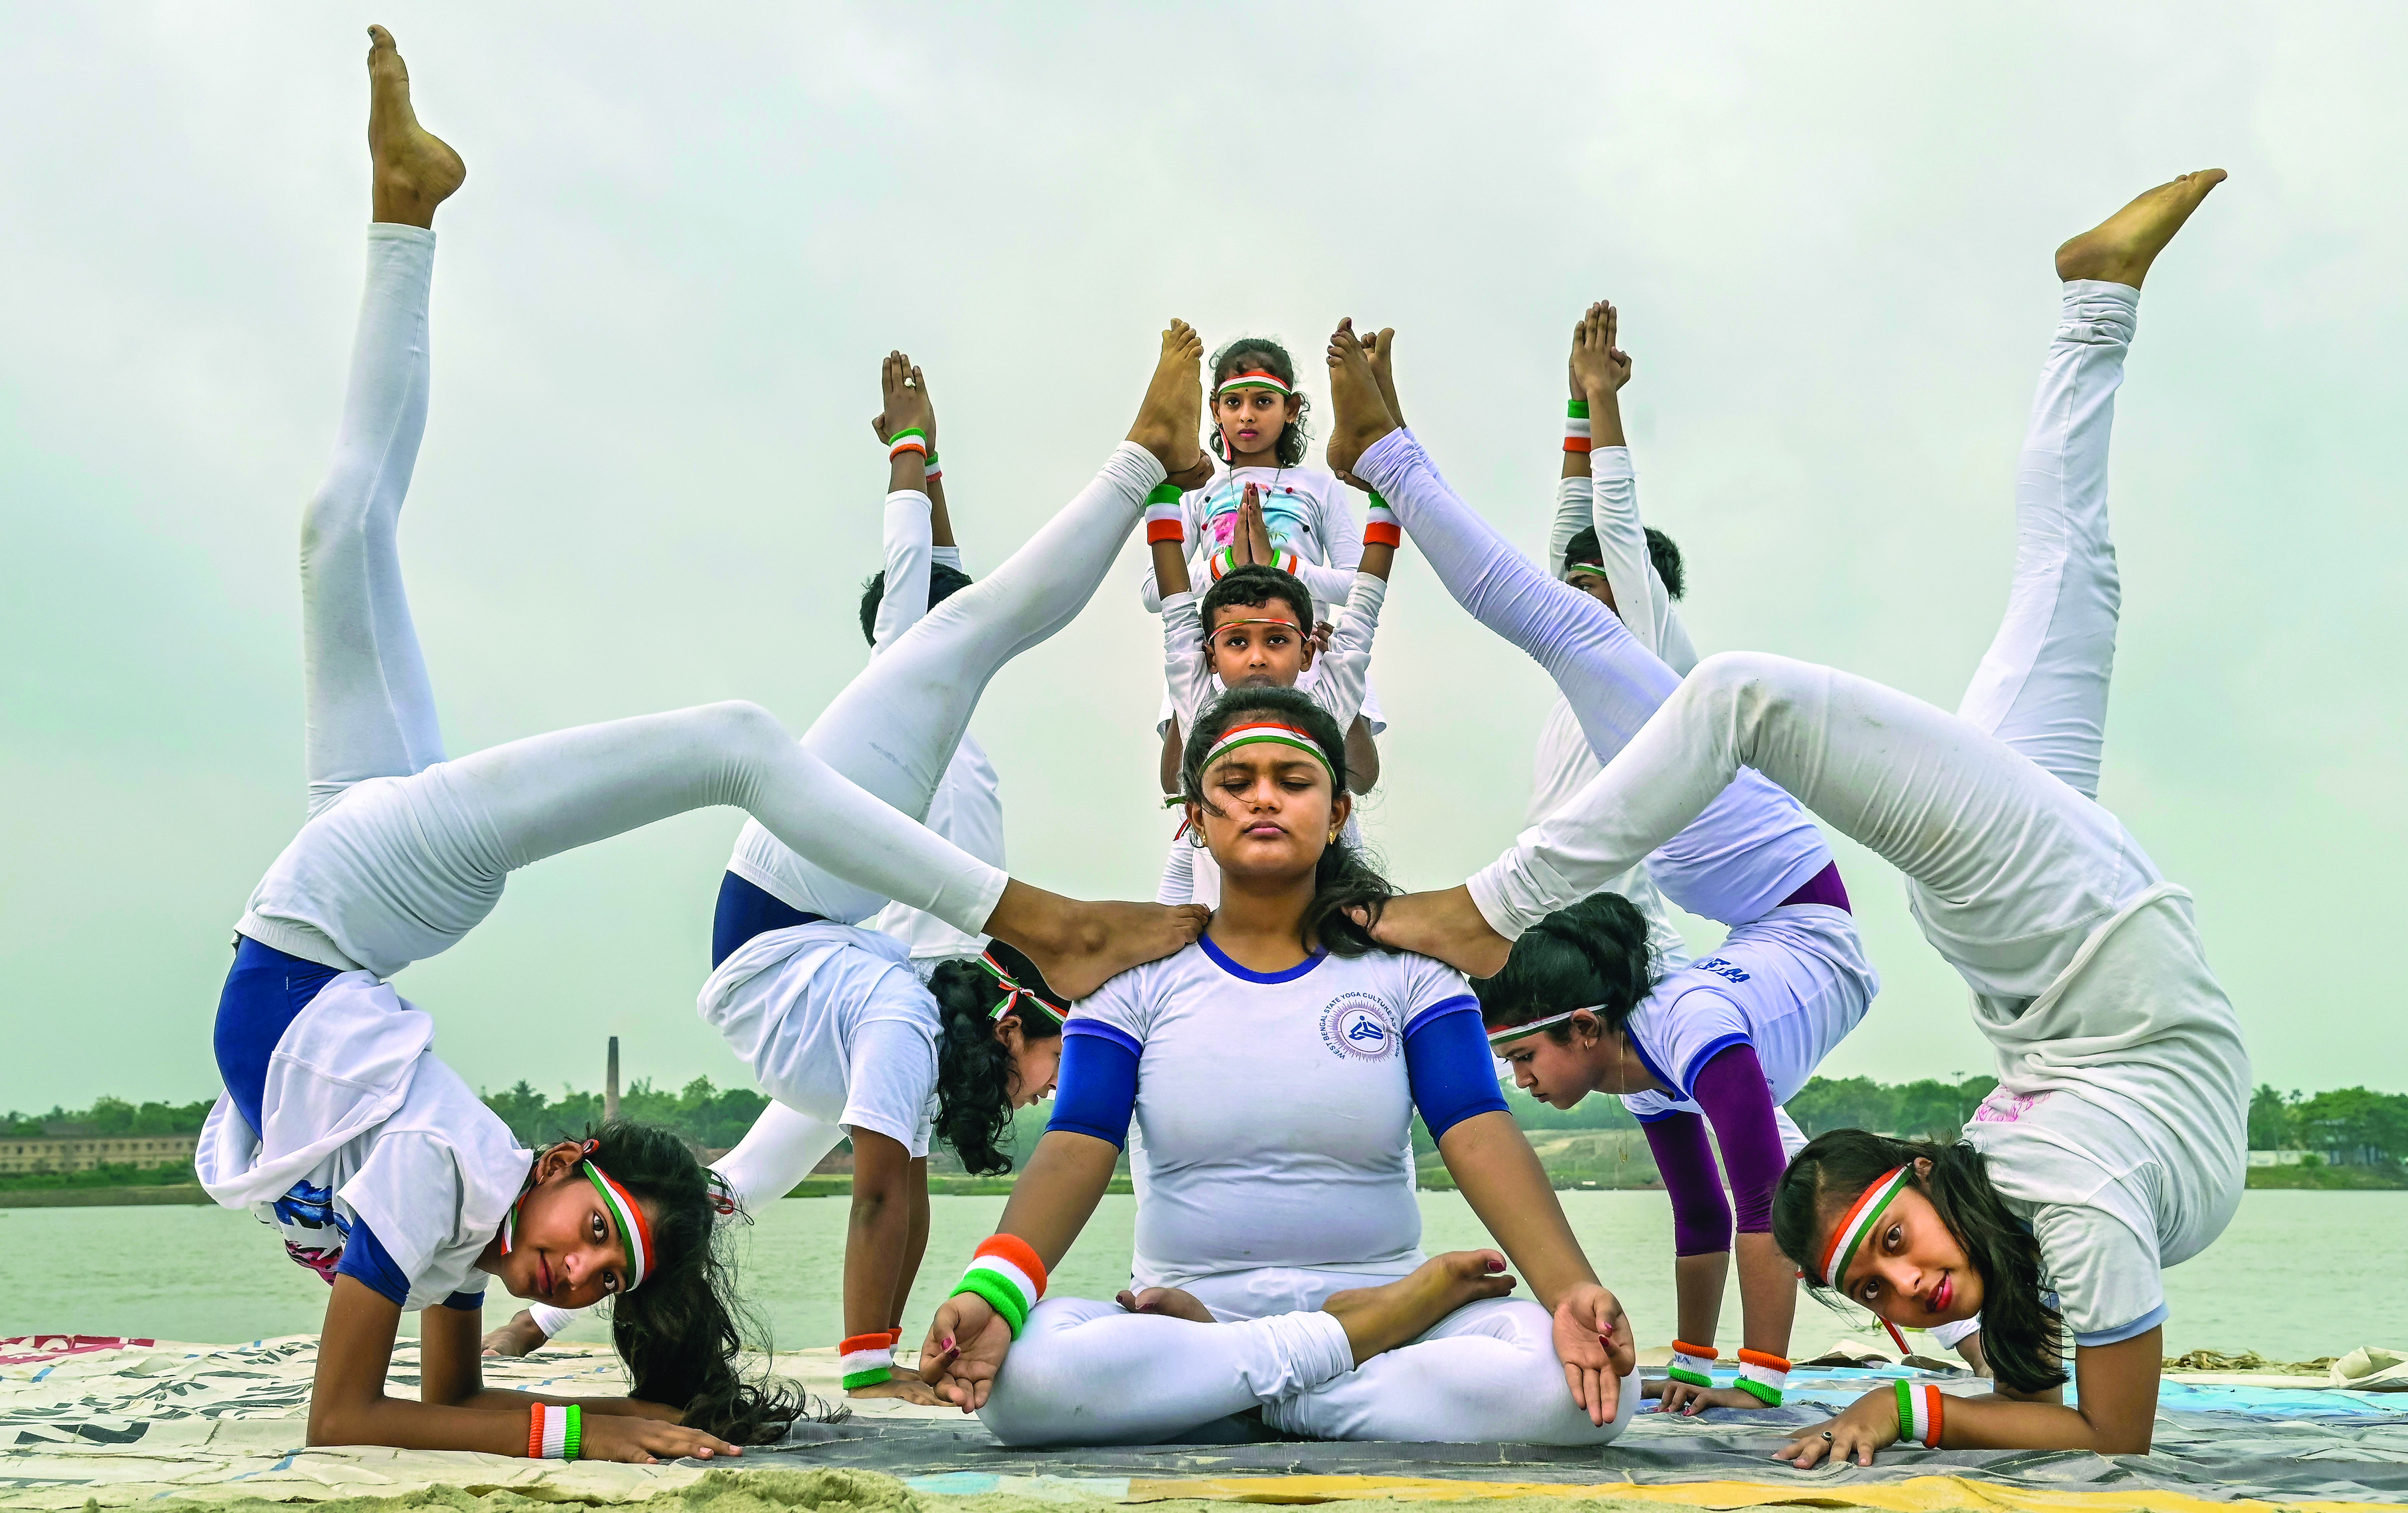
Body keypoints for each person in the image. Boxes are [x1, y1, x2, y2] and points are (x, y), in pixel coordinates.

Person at [201, 30, 1203, 1463]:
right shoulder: (451, 1180)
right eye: (596, 1246)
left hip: (337, 924)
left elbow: (425, 1410)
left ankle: (404, 205)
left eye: (601, 1277)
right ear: (563, 1167)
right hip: (349, 910)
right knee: (732, 727)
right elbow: (373, 1412)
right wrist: (587, 1434)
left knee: (337, 528)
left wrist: (608, 1411)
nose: (578, 1277)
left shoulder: (456, 1233)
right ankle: (1042, 915)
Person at [1354, 172, 2246, 1463]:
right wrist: (1894, 1381)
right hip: (2037, 935)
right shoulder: (2059, 1223)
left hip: (2024, 919)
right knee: (2070, 569)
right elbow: (2100, 1417)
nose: (1906, 1290)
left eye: (1886, 1253)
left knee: (1738, 694)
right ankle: (2092, 295)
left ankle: (1478, 901)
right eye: (1878, 1287)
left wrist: (1882, 1394)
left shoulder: (2034, 1200)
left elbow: (2107, 1419)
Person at [1330, 312, 1881, 1412]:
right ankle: (1387, 453)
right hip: (1700, 926)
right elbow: (1702, 1208)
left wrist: (1599, 407)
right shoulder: (1574, 716)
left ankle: (1386, 456)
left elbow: (1601, 546)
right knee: (1739, 1139)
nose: (1522, 1082)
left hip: (1749, 902)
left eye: (1601, 593)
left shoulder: (1656, 656)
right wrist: (1694, 1367)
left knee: (1769, 1154)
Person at [484, 363, 1028, 1380]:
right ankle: (866, 1358)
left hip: (889, 989)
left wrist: (935, 464)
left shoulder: (951, 730)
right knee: (851, 1178)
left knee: (747, 1180)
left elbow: (953, 581)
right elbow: (919, 585)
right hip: (869, 990)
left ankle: (541, 1324)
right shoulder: (904, 699)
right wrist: (908, 457)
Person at [912, 687, 1640, 1445]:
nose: (1265, 798)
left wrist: (1571, 1293)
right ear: (1196, 818)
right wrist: (993, 1291)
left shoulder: (1413, 975)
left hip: (1339, 1313)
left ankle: (1246, 1397)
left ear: (1336, 816)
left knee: (1593, 1391)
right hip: (1193, 1315)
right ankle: (1334, 1360)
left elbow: (1481, 1132)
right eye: (1236, 783)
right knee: (1021, 1385)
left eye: (1294, 783)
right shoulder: (1129, 983)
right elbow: (1073, 1148)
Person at [1140, 338, 1386, 796]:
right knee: (1191, 783)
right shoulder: (1199, 490)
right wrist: (1225, 564)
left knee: (1332, 781)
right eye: (1234, 403)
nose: (1247, 416)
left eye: (1263, 402)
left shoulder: (1320, 487)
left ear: (1291, 409)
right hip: (1221, 653)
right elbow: (1154, 591)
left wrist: (1283, 565)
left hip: (1305, 651)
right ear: (1215, 410)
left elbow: (1359, 584)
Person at [1150, 487, 1396, 907]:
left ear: (1306, 653)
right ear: (1209, 656)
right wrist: (1163, 492)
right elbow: (1175, 607)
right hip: (1212, 923)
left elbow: (1366, 602)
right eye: (1237, 643)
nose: (1258, 658)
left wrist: (1388, 499)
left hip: (1322, 916)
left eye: (1277, 640)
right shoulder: (1197, 708)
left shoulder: (1329, 705)